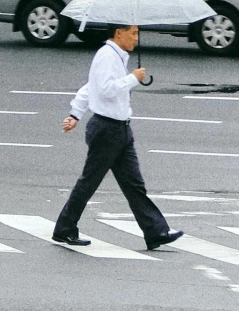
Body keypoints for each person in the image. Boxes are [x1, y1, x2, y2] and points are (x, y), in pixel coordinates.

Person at [52, 22, 182, 250]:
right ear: (118, 33)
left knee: (134, 184)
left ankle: (156, 232)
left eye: (137, 33)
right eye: (133, 33)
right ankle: (64, 228)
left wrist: (75, 114)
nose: (136, 38)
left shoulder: (117, 55)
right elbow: (103, 89)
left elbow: (89, 87)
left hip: (120, 129)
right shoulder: (107, 56)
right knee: (89, 182)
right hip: (106, 129)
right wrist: (133, 78)